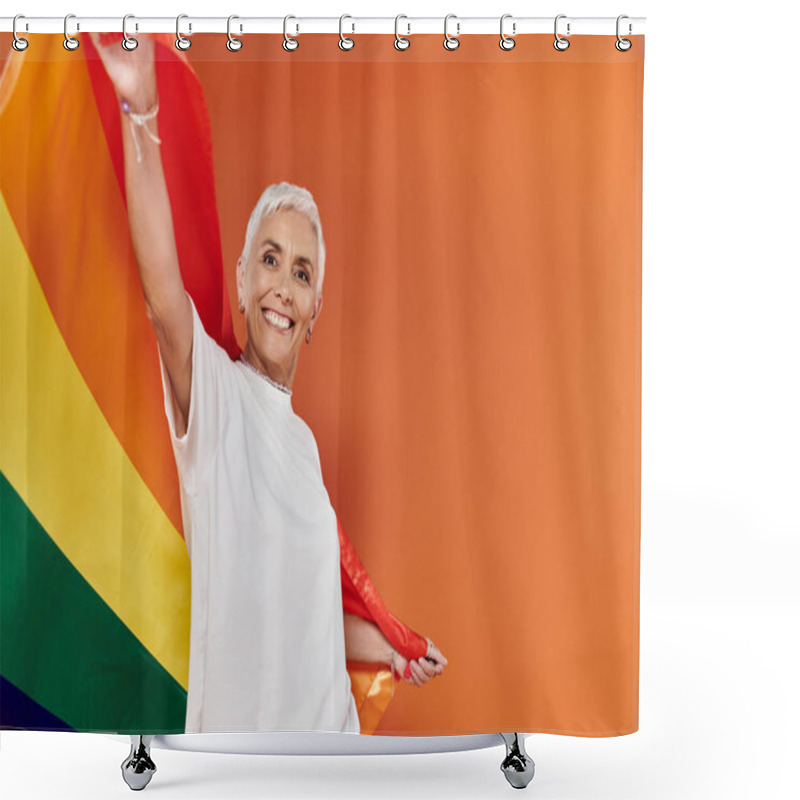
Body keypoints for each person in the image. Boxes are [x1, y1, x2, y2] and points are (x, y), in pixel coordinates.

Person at [90, 33, 447, 734]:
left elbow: (303, 610)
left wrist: (392, 652)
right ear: (244, 283)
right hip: (238, 760)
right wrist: (142, 114)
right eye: (272, 260)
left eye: (303, 272)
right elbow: (163, 297)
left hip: (332, 760)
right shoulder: (214, 395)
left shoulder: (305, 449)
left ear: (314, 312)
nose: (285, 286)